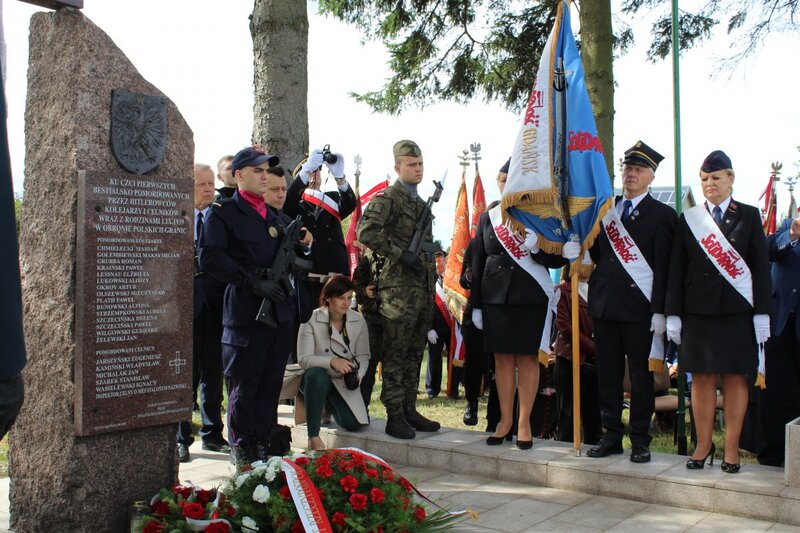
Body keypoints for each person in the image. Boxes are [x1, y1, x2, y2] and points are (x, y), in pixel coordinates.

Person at [199, 146, 313, 465]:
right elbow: (210, 257)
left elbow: (297, 257)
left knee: (270, 385)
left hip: (279, 313)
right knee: (244, 386)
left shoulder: (276, 216)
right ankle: (243, 452)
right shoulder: (222, 213)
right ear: (239, 175)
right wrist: (251, 280)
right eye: (257, 171)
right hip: (247, 313)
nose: (264, 177)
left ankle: (265, 450)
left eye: (267, 171)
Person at [666, 150, 771, 473]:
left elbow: (760, 269)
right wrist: (672, 313)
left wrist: (762, 313)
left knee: (736, 378)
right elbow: (676, 269)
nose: (709, 184)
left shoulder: (749, 216)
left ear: (730, 179)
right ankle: (703, 444)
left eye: (715, 178)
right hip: (698, 313)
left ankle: (731, 449)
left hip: (737, 313)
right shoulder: (691, 219)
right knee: (701, 379)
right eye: (704, 179)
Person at [586, 141, 677, 464]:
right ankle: (610, 434)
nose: (631, 174)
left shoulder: (664, 215)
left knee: (641, 377)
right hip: (606, 305)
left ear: (651, 177)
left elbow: (665, 268)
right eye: (627, 168)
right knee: (608, 375)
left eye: (638, 170)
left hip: (641, 310)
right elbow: (598, 254)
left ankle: (640, 438)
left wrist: (662, 311)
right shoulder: (607, 209)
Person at [471, 159, 571, 449]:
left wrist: (537, 247)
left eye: (510, 181)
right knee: (502, 360)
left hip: (530, 297)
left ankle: (524, 421)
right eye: (502, 181)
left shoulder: (540, 215)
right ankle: (505, 420)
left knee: (528, 359)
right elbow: (478, 262)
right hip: (496, 298)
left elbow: (558, 258)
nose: (505, 185)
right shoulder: (488, 217)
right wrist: (476, 305)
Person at [357, 139, 441, 439]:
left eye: (420, 164)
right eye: (411, 165)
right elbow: (365, 231)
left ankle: (409, 408)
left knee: (413, 353)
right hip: (396, 293)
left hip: (421, 290)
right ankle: (394, 414)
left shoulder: (420, 205)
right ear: (397, 167)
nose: (417, 169)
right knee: (395, 353)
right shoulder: (387, 199)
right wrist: (399, 252)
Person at [177, 164, 230, 463]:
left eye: (211, 184)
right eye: (202, 184)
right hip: (184, 309)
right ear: (189, 187)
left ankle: (212, 434)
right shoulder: (176, 217)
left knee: (213, 373)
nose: (209, 189)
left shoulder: (219, 218)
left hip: (215, 307)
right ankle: (181, 437)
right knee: (185, 375)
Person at [297, 275, 371, 450]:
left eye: (349, 298)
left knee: (353, 424)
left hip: (342, 380)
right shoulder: (311, 319)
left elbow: (363, 355)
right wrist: (332, 361)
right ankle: (313, 437)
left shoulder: (358, 319)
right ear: (328, 298)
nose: (346, 303)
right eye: (340, 298)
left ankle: (323, 403)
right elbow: (303, 359)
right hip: (315, 377)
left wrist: (357, 375)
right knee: (316, 376)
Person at [285, 147, 357, 309]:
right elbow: (288, 203)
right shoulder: (295, 203)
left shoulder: (331, 198)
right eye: (311, 171)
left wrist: (340, 177)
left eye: (318, 170)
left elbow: (350, 203)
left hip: (334, 278)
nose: (314, 174)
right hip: (307, 279)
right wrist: (306, 171)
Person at [758, 215, 800, 466]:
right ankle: (771, 456)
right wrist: (792, 235)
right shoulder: (788, 225)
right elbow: (765, 249)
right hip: (780, 323)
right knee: (772, 393)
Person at [553, 268, 602, 445]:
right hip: (570, 359)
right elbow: (565, 327)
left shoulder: (601, 288)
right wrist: (594, 347)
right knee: (568, 416)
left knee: (594, 417)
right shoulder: (562, 291)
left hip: (596, 363)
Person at [459, 237, 489, 426]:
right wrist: (469, 276)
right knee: (473, 362)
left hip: (502, 309)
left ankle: (496, 414)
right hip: (476, 310)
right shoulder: (476, 243)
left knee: (497, 364)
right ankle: (472, 403)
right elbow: (463, 279)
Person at [352, 243, 385, 408]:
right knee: (368, 364)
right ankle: (361, 407)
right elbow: (356, 283)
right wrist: (365, 291)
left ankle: (399, 412)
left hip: (397, 319)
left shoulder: (403, 248)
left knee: (397, 367)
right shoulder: (369, 253)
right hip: (373, 318)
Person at [426, 251, 458, 399]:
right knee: (434, 358)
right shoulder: (429, 280)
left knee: (454, 359)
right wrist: (429, 328)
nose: (440, 265)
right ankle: (432, 390)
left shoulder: (453, 279)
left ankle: (453, 388)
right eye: (437, 262)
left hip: (453, 326)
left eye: (442, 261)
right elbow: (426, 306)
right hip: (436, 327)